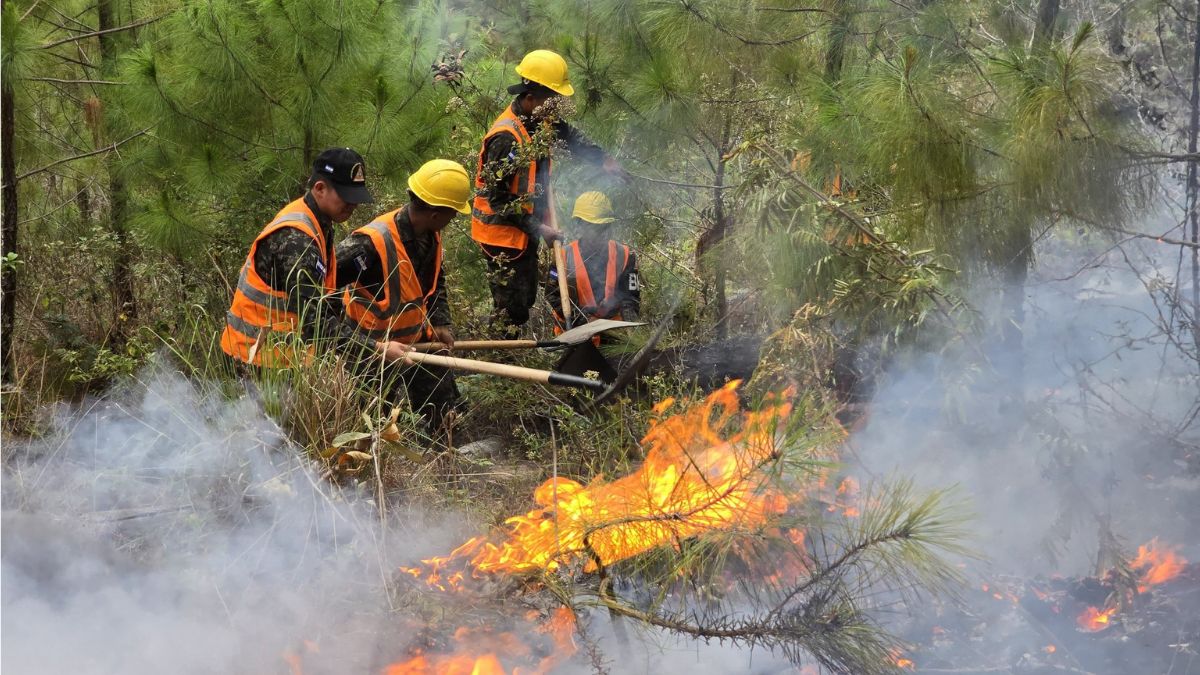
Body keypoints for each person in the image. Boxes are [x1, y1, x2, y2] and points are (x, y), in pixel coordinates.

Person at [470, 49, 623, 336]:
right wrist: (540, 227)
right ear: (530, 98)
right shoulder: (506, 138)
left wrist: (602, 159)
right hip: (501, 235)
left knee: (525, 297)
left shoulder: (539, 119)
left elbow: (570, 137)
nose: (557, 109)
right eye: (554, 101)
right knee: (511, 306)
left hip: (524, 229)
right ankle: (500, 354)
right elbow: (499, 199)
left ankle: (508, 342)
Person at [221, 147, 412, 371]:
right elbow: (315, 324)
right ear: (319, 188)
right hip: (253, 360)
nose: (353, 205)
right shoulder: (296, 241)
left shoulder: (317, 221)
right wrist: (376, 348)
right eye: (346, 197)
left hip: (277, 359)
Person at [337, 159, 471, 431]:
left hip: (418, 343)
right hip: (373, 351)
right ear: (436, 214)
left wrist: (441, 321)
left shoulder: (430, 235)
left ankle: (444, 460)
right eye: (452, 213)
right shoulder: (370, 243)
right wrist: (354, 343)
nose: (453, 219)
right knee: (369, 428)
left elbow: (434, 280)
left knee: (443, 414)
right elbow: (318, 287)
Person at [547, 191, 640, 335]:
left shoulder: (625, 256)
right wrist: (582, 319)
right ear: (580, 225)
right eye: (596, 228)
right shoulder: (563, 257)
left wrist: (631, 330)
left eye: (606, 227)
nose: (603, 233)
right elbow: (552, 295)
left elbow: (630, 298)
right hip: (573, 335)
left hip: (613, 336)